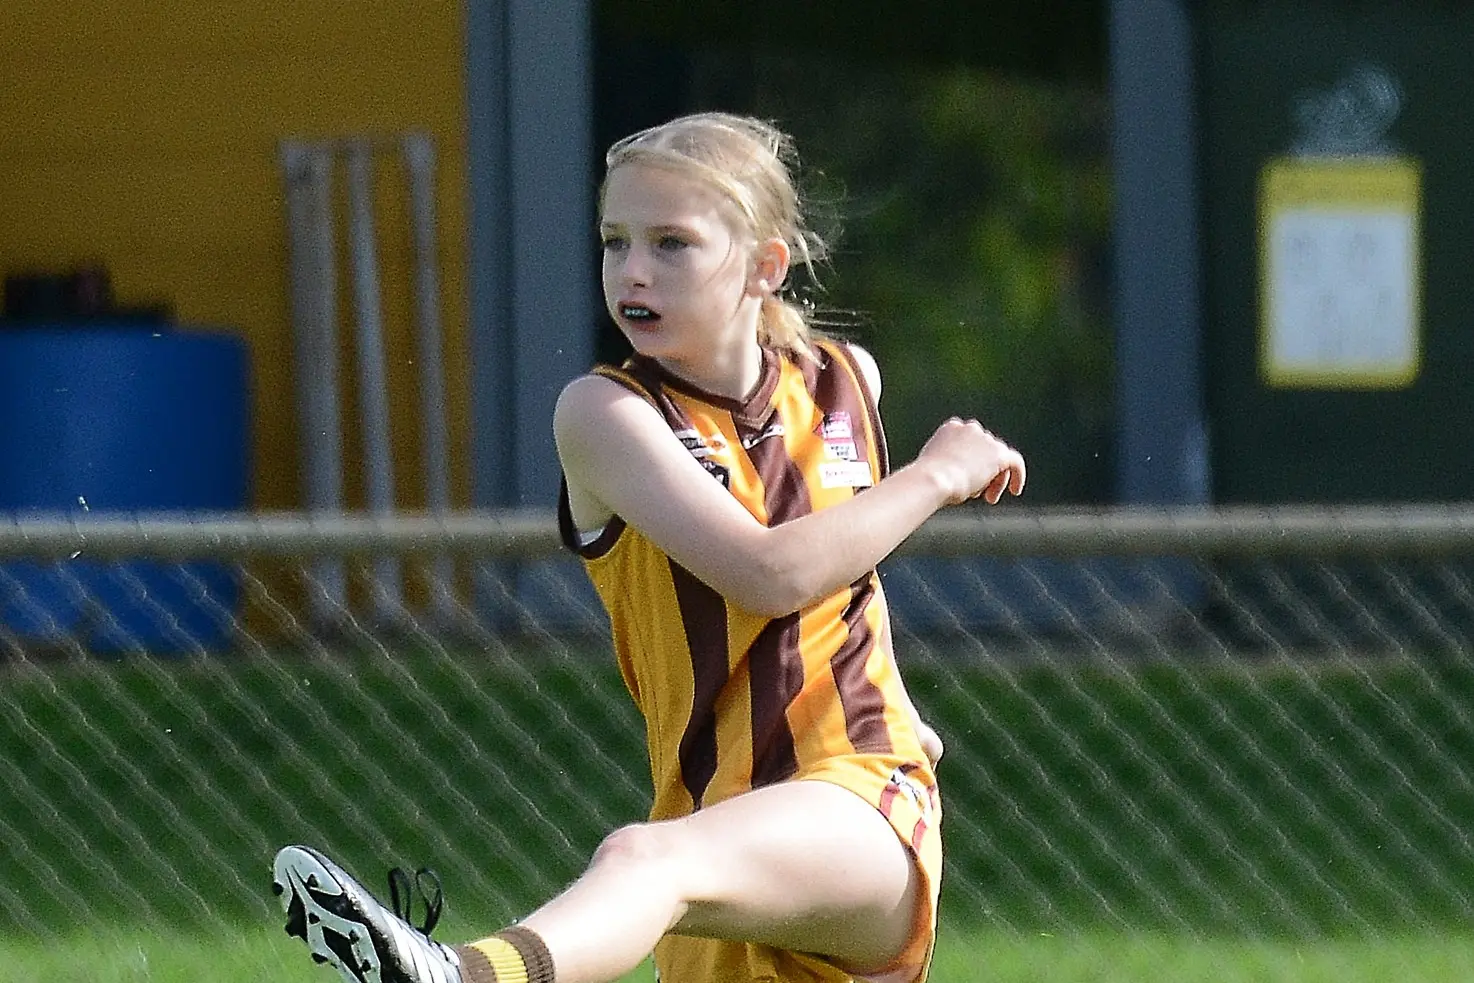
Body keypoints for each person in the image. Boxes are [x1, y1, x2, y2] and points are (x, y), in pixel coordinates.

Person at [273, 111, 1026, 983]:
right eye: (614, 241)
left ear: (764, 265)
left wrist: (896, 705)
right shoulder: (605, 416)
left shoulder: (847, 379)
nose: (632, 271)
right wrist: (933, 476)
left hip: (857, 798)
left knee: (639, 858)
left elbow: (829, 595)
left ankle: (461, 976)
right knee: (656, 861)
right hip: (712, 830)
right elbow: (769, 572)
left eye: (673, 243)